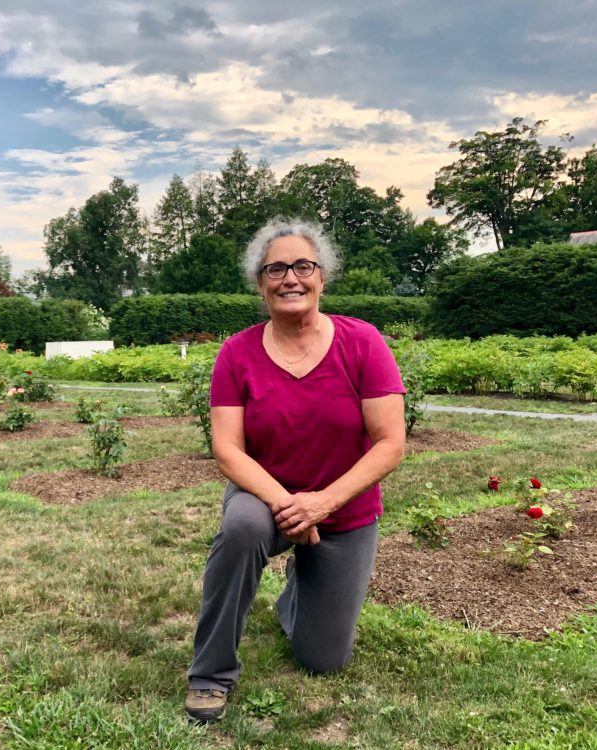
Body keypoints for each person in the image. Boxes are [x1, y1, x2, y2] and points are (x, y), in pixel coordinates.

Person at [184, 218, 406, 722]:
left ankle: (295, 596)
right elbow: (227, 451)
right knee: (242, 529)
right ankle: (210, 673)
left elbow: (391, 444)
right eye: (276, 269)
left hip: (344, 510)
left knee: (323, 660)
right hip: (265, 499)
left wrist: (322, 503)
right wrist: (291, 506)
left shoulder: (363, 342)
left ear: (321, 277)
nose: (291, 278)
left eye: (302, 266)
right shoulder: (236, 353)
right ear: (260, 283)